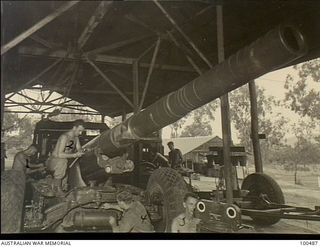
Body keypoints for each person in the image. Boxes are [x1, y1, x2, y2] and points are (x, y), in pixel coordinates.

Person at [46, 119, 85, 196]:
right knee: (63, 161)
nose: (80, 133)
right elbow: (59, 154)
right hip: (54, 161)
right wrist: (75, 155)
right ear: (74, 128)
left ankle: (61, 188)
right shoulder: (64, 137)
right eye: (79, 131)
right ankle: (57, 189)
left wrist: (82, 150)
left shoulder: (75, 138)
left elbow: (79, 148)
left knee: (65, 166)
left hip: (63, 162)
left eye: (81, 131)